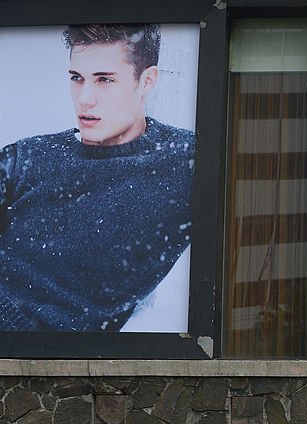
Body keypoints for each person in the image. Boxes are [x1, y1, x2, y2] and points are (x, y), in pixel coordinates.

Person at [0, 23, 194, 331]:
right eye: (77, 78)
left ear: (146, 81)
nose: (85, 99)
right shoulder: (25, 158)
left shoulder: (185, 159)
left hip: (68, 364)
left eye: (104, 80)